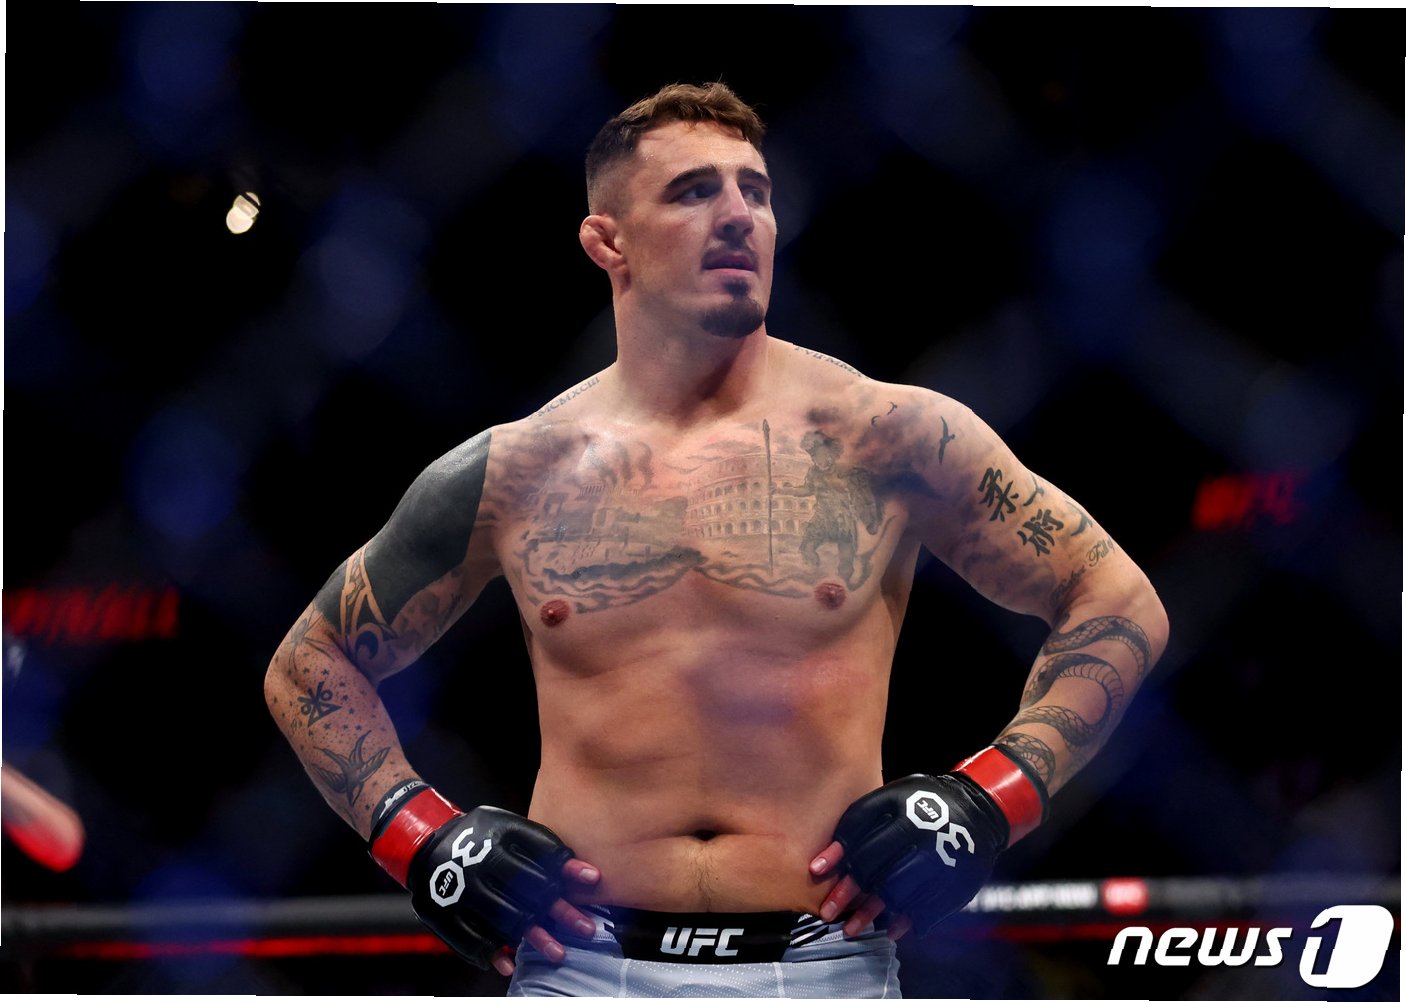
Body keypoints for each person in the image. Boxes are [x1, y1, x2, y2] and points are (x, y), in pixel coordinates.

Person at [264, 82, 1168, 998]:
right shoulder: (519, 471)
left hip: (824, 964)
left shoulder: (885, 437)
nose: (739, 215)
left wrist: (989, 796)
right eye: (694, 191)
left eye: (756, 191)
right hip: (580, 969)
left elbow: (1117, 601)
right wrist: (418, 836)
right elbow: (309, 664)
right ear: (608, 241)